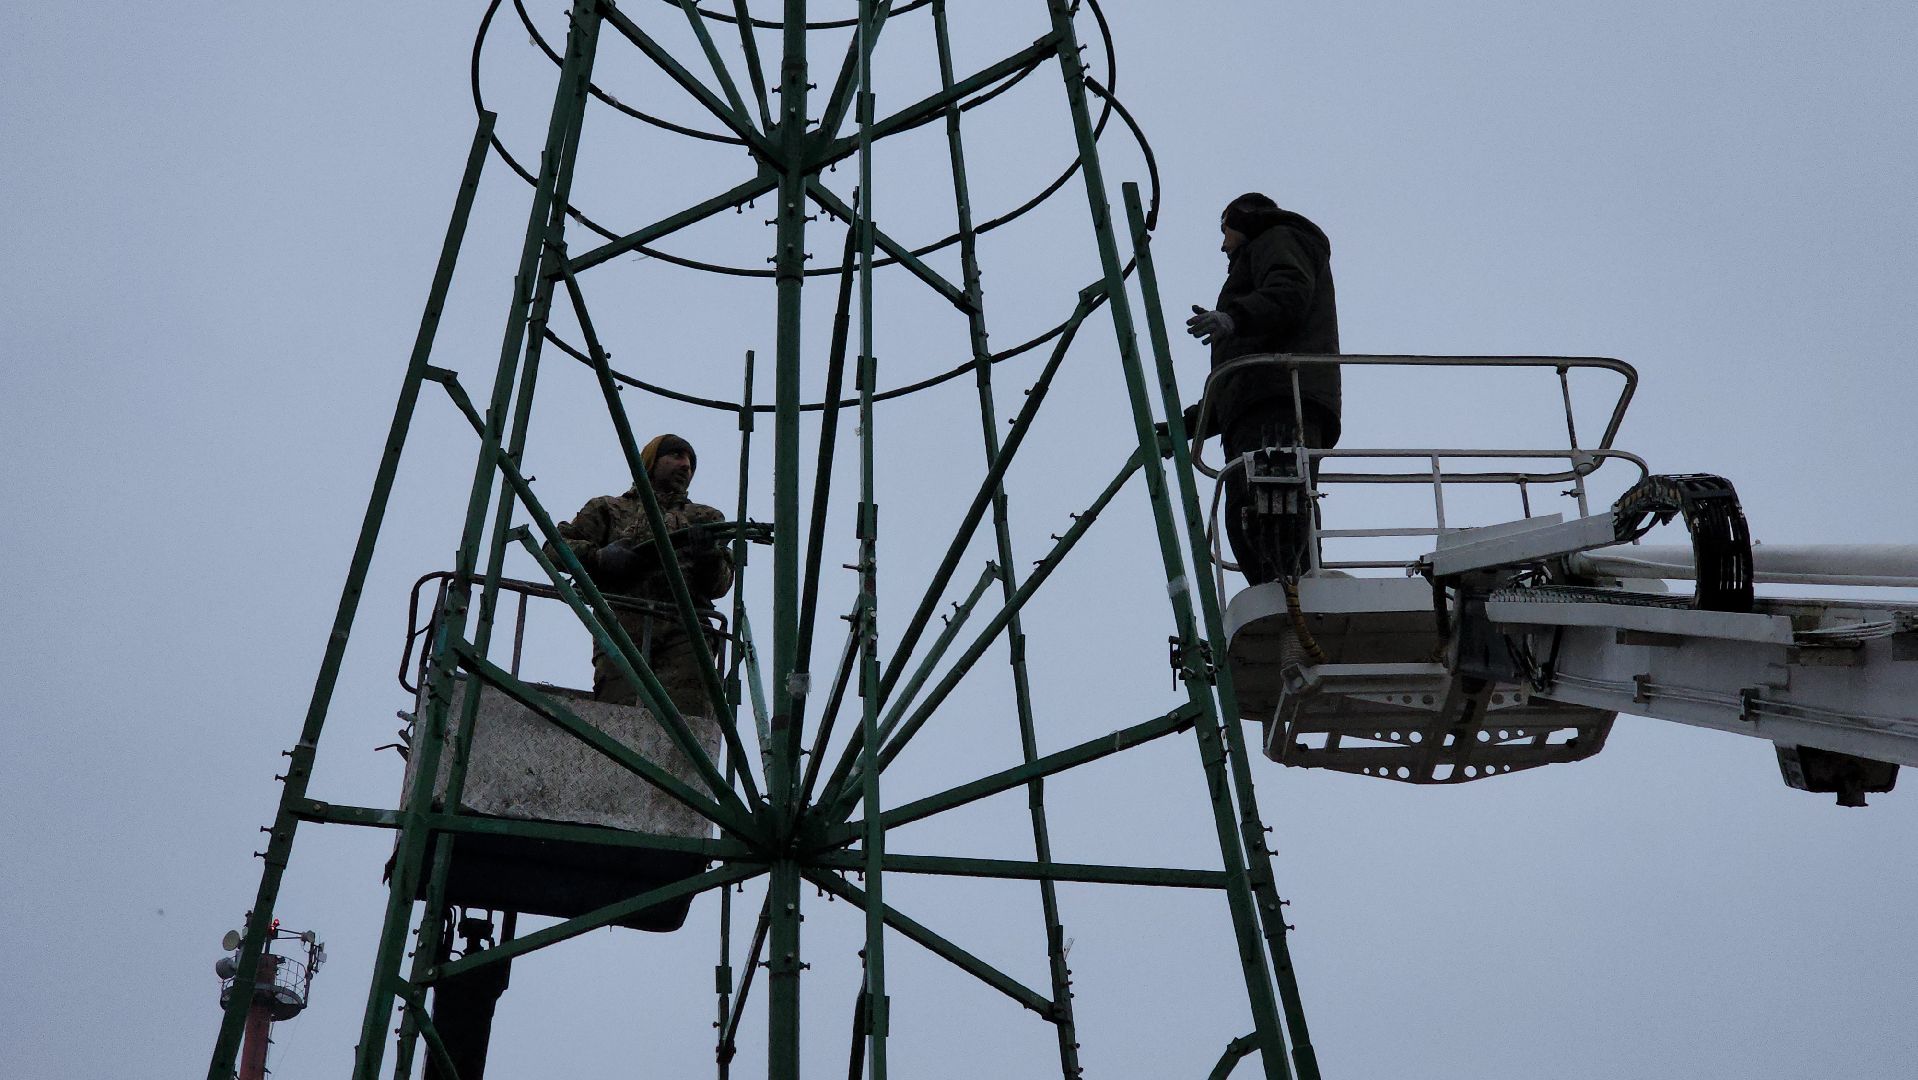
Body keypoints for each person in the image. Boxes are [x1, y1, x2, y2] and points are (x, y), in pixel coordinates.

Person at [1185, 192, 1341, 584]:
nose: (1223, 245)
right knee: (1249, 515)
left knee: (1275, 510)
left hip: (1281, 400)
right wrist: (1188, 424)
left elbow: (1290, 292)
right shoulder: (1258, 256)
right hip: (1261, 399)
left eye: (1226, 231)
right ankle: (1286, 604)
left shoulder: (1278, 237)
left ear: (1245, 220)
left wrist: (1235, 317)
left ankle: (1296, 606)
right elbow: (1240, 375)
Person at [549, 434, 733, 717]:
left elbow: (720, 584)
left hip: (687, 634)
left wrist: (708, 554)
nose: (686, 466)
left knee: (687, 726)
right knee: (616, 724)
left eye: (691, 462)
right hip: (623, 633)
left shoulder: (706, 518)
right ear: (650, 461)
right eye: (675, 455)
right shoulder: (608, 509)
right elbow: (554, 548)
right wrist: (599, 557)